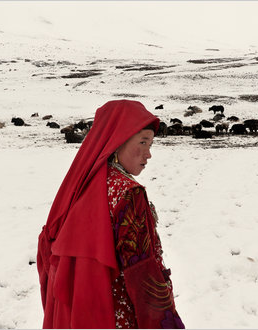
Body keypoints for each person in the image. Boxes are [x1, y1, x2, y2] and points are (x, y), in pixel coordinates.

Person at [37, 100, 184, 329]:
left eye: (151, 144)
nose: (148, 154)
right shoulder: (129, 193)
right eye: (143, 142)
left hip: (82, 314)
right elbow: (143, 274)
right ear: (117, 142)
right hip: (118, 317)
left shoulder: (81, 186)